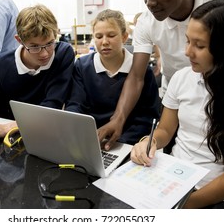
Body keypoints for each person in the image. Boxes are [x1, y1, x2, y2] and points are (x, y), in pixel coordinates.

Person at [131, 0, 224, 209]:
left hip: (218, 195)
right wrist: (149, 141)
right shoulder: (181, 78)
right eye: (187, 41)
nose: (188, 52)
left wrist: (185, 205)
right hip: (173, 179)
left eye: (199, 45)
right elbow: (164, 130)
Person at [98, 0, 224, 151]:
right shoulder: (147, 22)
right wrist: (118, 119)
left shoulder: (220, 11)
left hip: (218, 94)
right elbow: (136, 76)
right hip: (174, 97)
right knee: (171, 150)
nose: (150, 3)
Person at [0, 4, 75, 138]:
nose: (44, 54)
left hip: (38, 130)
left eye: (49, 43)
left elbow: (52, 105)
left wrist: (11, 127)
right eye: (34, 47)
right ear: (19, 40)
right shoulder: (1, 63)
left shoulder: (63, 53)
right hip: (5, 132)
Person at [65, 9, 160, 145]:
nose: (104, 42)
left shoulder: (142, 70)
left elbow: (147, 118)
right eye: (98, 37)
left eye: (111, 35)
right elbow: (76, 104)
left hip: (126, 143)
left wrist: (120, 142)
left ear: (124, 37)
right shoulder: (82, 66)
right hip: (91, 140)